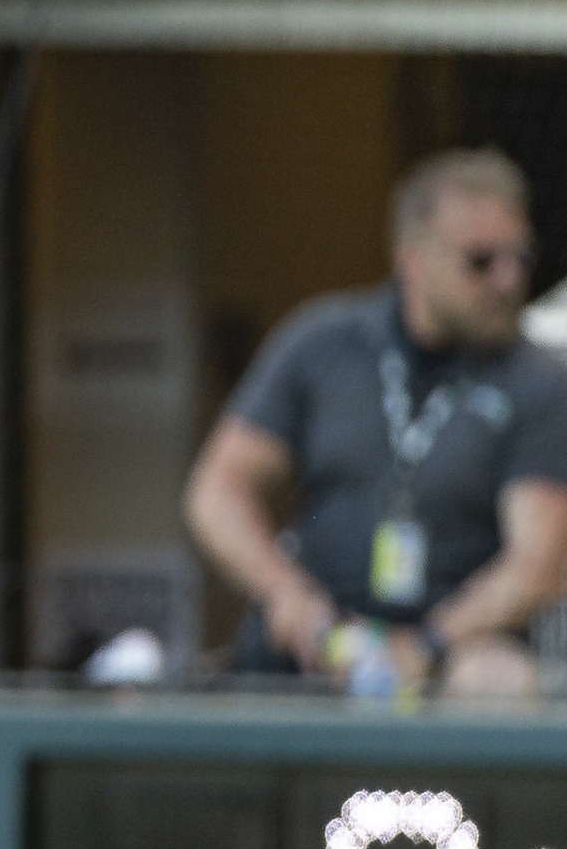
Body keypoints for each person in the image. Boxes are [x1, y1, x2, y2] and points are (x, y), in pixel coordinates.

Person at [186, 148, 567, 699]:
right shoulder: (323, 342)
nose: (508, 280)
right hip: (318, 635)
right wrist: (289, 597)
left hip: (455, 646)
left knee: (497, 680)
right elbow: (216, 490)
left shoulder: (537, 380)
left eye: (520, 257)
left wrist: (426, 646)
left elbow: (536, 565)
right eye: (481, 261)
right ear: (414, 259)